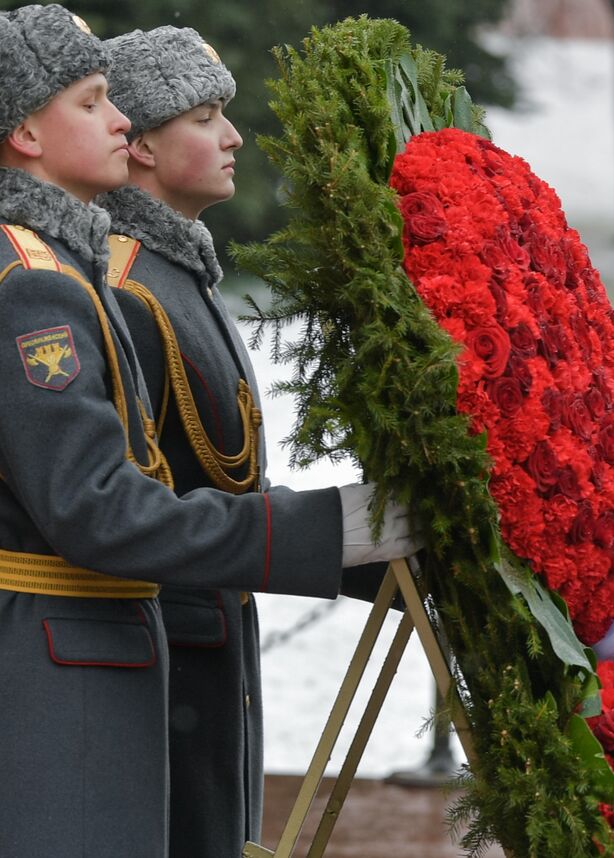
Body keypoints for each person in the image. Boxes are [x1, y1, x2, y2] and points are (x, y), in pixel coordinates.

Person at [0, 8, 419, 855]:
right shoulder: (36, 283)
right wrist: (335, 529)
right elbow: (101, 509)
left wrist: (363, 548)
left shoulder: (71, 270)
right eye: (92, 102)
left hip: (119, 658)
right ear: (26, 133)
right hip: (61, 673)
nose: (120, 121)